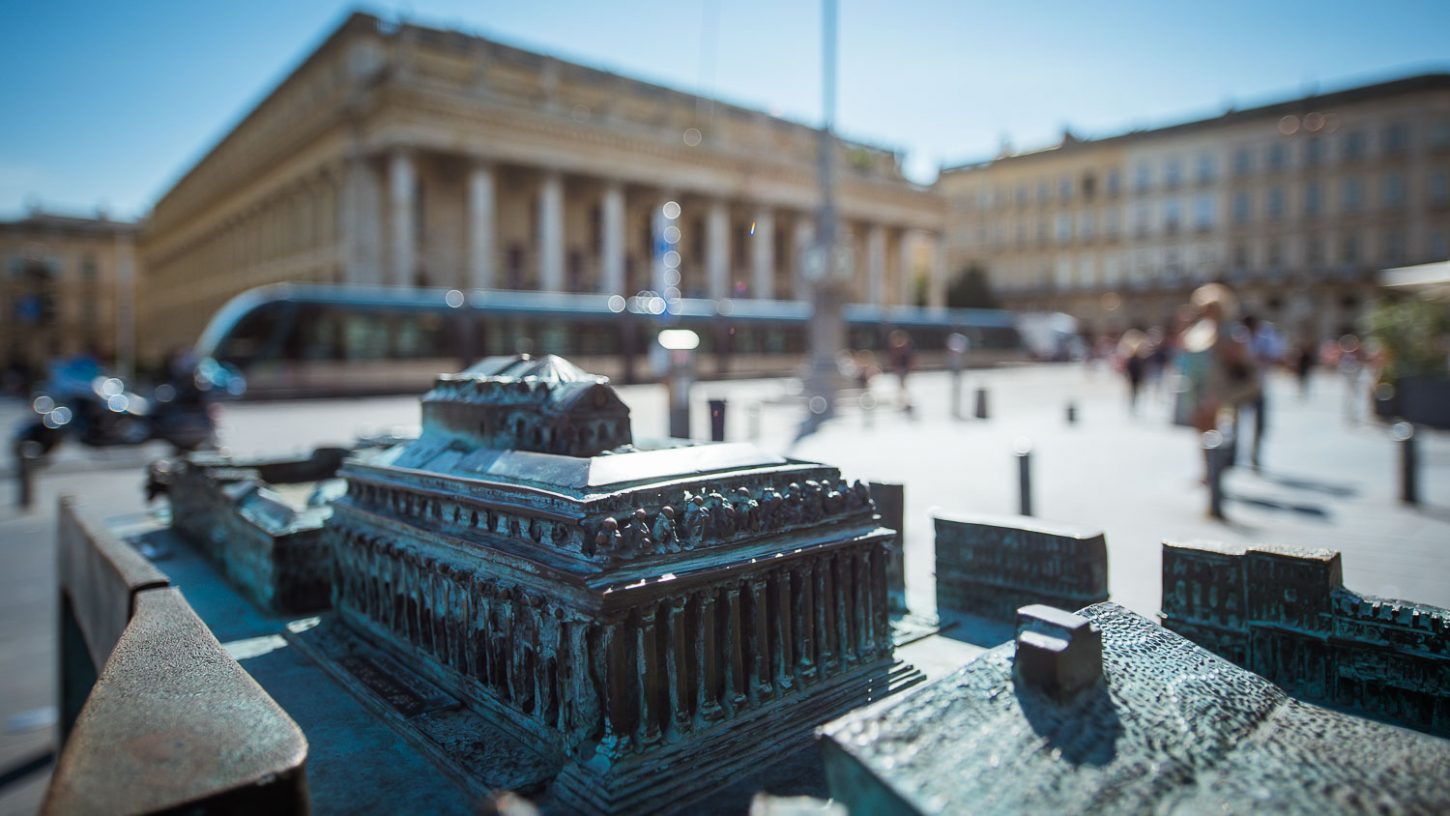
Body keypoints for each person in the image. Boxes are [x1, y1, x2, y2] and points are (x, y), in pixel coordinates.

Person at [1178, 284, 1256, 477]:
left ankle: (1218, 468)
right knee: (1201, 429)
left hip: (1220, 387)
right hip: (1197, 385)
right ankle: (1207, 469)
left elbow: (1241, 356)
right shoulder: (1198, 330)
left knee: (1216, 428)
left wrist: (1221, 344)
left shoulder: (1230, 331)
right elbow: (1185, 351)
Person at [1241, 314, 1285, 470]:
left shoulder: (1266, 337)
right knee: (1232, 423)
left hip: (1259, 385)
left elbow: (1276, 356)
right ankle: (1230, 457)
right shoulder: (1238, 336)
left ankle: (1254, 456)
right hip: (1237, 387)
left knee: (1259, 424)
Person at [887, 329, 914, 412]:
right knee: (902, 387)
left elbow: (908, 360)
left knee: (902, 387)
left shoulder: (903, 349)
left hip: (903, 370)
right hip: (901, 370)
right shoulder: (899, 349)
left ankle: (905, 403)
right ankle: (904, 402)